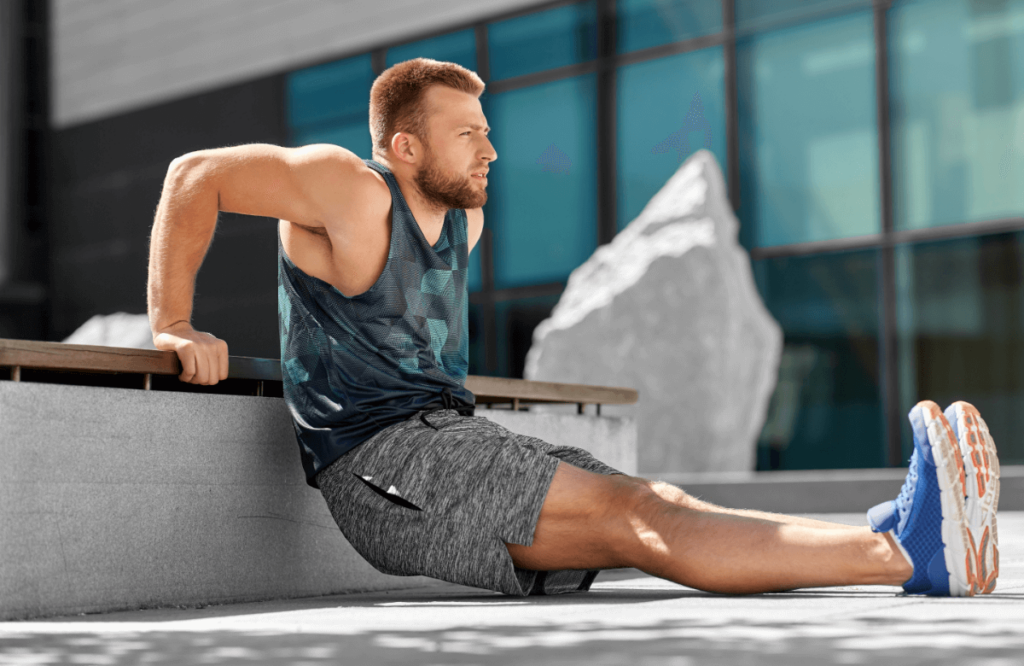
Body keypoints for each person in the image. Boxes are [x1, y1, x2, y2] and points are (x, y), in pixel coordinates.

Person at [146, 58, 1000, 598]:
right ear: (404, 148)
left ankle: (889, 539)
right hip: (383, 463)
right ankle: (909, 554)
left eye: (488, 133)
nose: (490, 151)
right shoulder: (349, 190)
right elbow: (195, 176)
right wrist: (173, 322)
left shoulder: (459, 224)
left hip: (446, 443)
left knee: (651, 510)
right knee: (642, 514)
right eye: (468, 134)